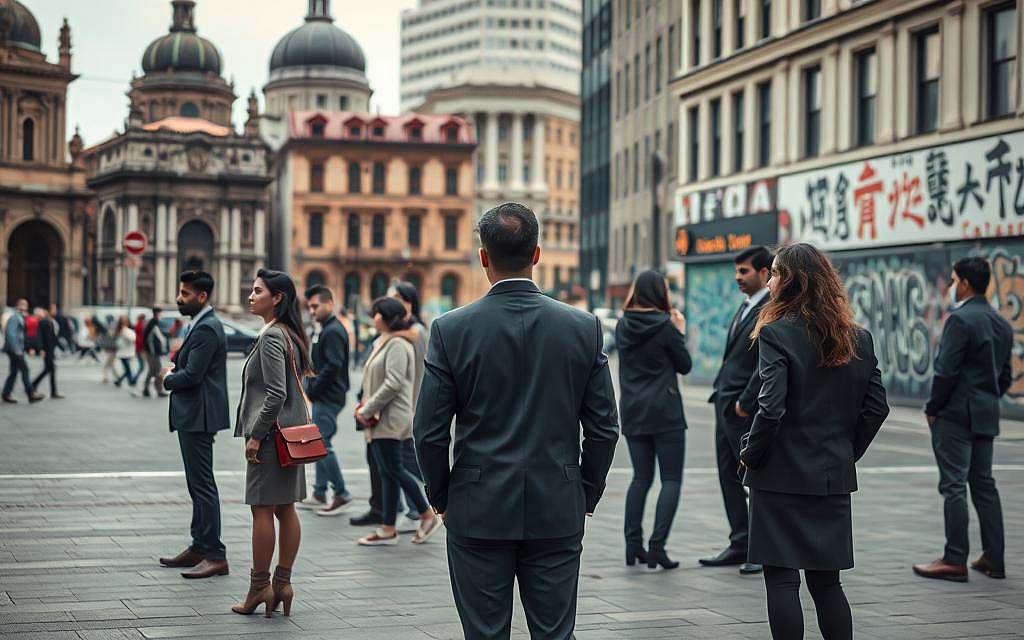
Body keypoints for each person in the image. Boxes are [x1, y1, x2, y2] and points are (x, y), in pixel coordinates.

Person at [414, 202, 619, 639]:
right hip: (557, 503)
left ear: (483, 256)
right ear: (537, 254)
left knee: (485, 633)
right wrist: (585, 490)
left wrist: (442, 496)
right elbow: (604, 427)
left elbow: (429, 432)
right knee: (554, 633)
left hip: (477, 504)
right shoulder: (583, 327)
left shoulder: (451, 329)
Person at [740, 243, 889, 640]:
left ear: (791, 281)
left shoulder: (776, 334)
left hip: (779, 477)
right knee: (827, 584)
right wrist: (843, 452)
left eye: (773, 273)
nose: (769, 281)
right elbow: (876, 409)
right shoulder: (859, 338)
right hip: (830, 478)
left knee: (783, 582)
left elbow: (770, 407)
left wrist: (751, 455)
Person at [914, 257, 1014, 582]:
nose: (951, 286)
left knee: (954, 484)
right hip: (986, 414)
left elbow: (946, 372)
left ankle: (955, 558)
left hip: (955, 415)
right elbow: (1005, 377)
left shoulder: (959, 320)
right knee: (984, 485)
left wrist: (932, 408)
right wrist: (987, 398)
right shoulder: (1001, 323)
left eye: (954, 280)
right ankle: (994, 559)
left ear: (966, 283)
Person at [232, 269, 312, 617]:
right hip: (292, 437)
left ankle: (259, 587)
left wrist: (255, 435)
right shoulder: (290, 334)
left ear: (276, 297)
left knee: (262, 510)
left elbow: (276, 393)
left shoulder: (271, 337)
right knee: (286, 508)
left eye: (257, 291)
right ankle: (282, 583)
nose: (250, 296)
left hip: (271, 438)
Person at [701, 245, 773, 575]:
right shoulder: (746, 306)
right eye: (736, 271)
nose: (737, 278)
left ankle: (761, 549)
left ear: (764, 273)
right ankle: (739, 541)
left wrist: (746, 401)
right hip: (724, 403)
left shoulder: (771, 309)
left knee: (752, 478)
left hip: (744, 408)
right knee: (728, 475)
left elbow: (765, 364)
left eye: (744, 271)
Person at [615, 270, 691, 570]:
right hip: (666, 411)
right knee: (670, 479)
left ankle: (632, 545)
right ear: (661, 292)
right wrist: (679, 330)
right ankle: (657, 547)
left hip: (633, 409)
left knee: (640, 478)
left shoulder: (622, 325)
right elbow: (684, 366)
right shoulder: (665, 326)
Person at [159, 271, 230, 580]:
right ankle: (199, 545)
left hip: (199, 415)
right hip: (195, 414)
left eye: (185, 294)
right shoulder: (200, 325)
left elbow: (192, 375)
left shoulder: (207, 329)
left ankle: (215, 553)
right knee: (196, 483)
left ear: (202, 297)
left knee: (202, 485)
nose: (179, 298)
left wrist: (166, 378)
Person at [355, 297, 440, 546]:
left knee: (393, 469)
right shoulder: (382, 341)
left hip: (392, 417)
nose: (374, 317)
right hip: (380, 416)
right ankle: (388, 528)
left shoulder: (399, 345)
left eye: (378, 313)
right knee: (387, 471)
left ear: (388, 317)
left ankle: (427, 514)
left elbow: (393, 382)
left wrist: (368, 408)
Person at [299, 284, 353, 516]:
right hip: (325, 394)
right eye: (309, 306)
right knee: (320, 443)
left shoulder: (333, 330)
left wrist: (313, 390)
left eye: (315, 306)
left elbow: (332, 366)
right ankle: (320, 492)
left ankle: (341, 492)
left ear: (329, 304)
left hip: (329, 395)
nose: (311, 310)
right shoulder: (324, 328)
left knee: (322, 444)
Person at [2, 298, 42, 403]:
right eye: (23, 305)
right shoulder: (15, 318)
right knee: (25, 369)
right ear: (18, 306)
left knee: (14, 372)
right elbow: (11, 334)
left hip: (16, 349)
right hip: (14, 349)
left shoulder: (19, 317)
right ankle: (30, 393)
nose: (25, 307)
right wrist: (16, 349)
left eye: (26, 305)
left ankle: (6, 393)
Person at [31, 306, 62, 399]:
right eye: (53, 309)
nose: (55, 311)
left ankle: (35, 385)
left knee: (49, 369)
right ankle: (51, 391)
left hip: (51, 350)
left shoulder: (51, 321)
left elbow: (54, 337)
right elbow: (39, 336)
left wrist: (61, 347)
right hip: (46, 350)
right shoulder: (43, 322)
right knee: (50, 369)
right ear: (48, 311)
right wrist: (41, 349)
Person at [139, 308, 169, 398]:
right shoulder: (153, 323)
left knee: (152, 371)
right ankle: (158, 390)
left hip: (153, 352)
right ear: (157, 313)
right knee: (157, 371)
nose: (161, 315)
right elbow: (150, 339)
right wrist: (152, 351)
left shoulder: (154, 323)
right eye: (160, 313)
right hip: (152, 353)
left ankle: (146, 389)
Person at [112, 316, 137, 388]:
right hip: (125, 353)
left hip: (124, 352)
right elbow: (132, 338)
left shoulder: (121, 329)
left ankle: (129, 381)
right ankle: (120, 381)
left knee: (127, 369)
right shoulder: (124, 330)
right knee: (127, 369)